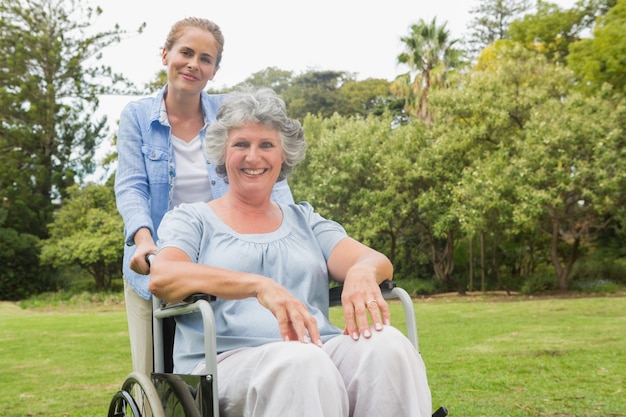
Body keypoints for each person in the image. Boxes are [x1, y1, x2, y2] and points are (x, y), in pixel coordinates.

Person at [149, 86, 432, 417]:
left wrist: (361, 271)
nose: (253, 157)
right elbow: (163, 276)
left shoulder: (305, 219)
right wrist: (259, 286)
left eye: (266, 145)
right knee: (302, 360)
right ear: (222, 154)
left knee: (389, 345)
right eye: (241, 144)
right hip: (225, 362)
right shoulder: (192, 218)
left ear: (283, 155)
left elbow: (375, 259)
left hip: (317, 350)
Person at [114, 18, 294, 377]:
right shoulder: (137, 116)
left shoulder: (230, 111)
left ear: (215, 70)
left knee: (245, 357)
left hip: (224, 253)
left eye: (205, 58)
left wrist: (291, 228)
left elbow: (269, 173)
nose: (194, 64)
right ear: (166, 55)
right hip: (159, 253)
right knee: (156, 372)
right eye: (186, 52)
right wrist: (143, 241)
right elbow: (131, 186)